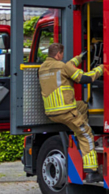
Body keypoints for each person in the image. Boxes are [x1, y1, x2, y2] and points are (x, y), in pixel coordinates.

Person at [39, 43, 104, 183]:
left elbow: (67, 66)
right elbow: (86, 78)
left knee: (82, 106)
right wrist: (102, 68)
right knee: (86, 133)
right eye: (61, 55)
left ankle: (79, 132)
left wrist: (80, 57)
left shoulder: (43, 68)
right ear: (58, 55)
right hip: (66, 111)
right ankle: (91, 171)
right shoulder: (63, 67)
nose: (62, 57)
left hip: (51, 112)